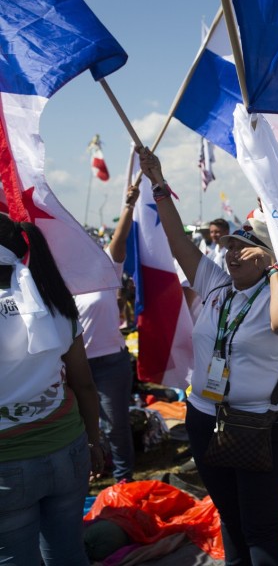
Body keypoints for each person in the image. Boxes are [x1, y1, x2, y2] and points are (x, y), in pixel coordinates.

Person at [137, 147, 278, 565]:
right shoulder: (215, 281)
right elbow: (176, 240)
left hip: (263, 423)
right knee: (229, 517)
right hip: (205, 417)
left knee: (261, 526)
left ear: (264, 255)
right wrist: (158, 183)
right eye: (228, 245)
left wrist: (275, 263)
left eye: (243, 247)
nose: (231, 253)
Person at [0, 213, 104, 565]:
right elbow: (84, 383)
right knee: (68, 553)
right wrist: (95, 439)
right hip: (69, 450)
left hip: (8, 464)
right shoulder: (55, 300)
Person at [73, 185, 139, 482]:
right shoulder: (59, 279)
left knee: (115, 424)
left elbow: (119, 238)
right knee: (81, 426)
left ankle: (124, 479)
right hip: (75, 366)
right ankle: (88, 470)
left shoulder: (107, 270)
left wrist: (128, 205)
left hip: (111, 364)